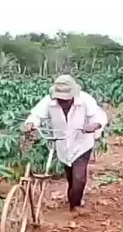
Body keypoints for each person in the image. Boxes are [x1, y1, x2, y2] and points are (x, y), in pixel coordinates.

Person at [24, 74, 107, 211]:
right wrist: (31, 123)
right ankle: (73, 199)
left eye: (65, 99)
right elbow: (36, 115)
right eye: (60, 99)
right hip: (62, 144)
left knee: (79, 178)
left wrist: (94, 125)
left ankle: (75, 206)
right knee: (70, 177)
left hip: (82, 143)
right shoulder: (49, 101)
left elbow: (99, 115)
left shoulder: (85, 100)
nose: (62, 101)